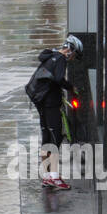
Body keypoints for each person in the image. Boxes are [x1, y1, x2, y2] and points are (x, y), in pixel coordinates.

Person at [28, 34, 82, 190]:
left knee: (46, 138)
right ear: (70, 50)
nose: (72, 59)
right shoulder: (60, 59)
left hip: (41, 102)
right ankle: (55, 178)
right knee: (55, 139)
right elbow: (58, 78)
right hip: (51, 103)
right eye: (75, 55)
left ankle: (47, 177)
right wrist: (71, 87)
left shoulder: (50, 55)